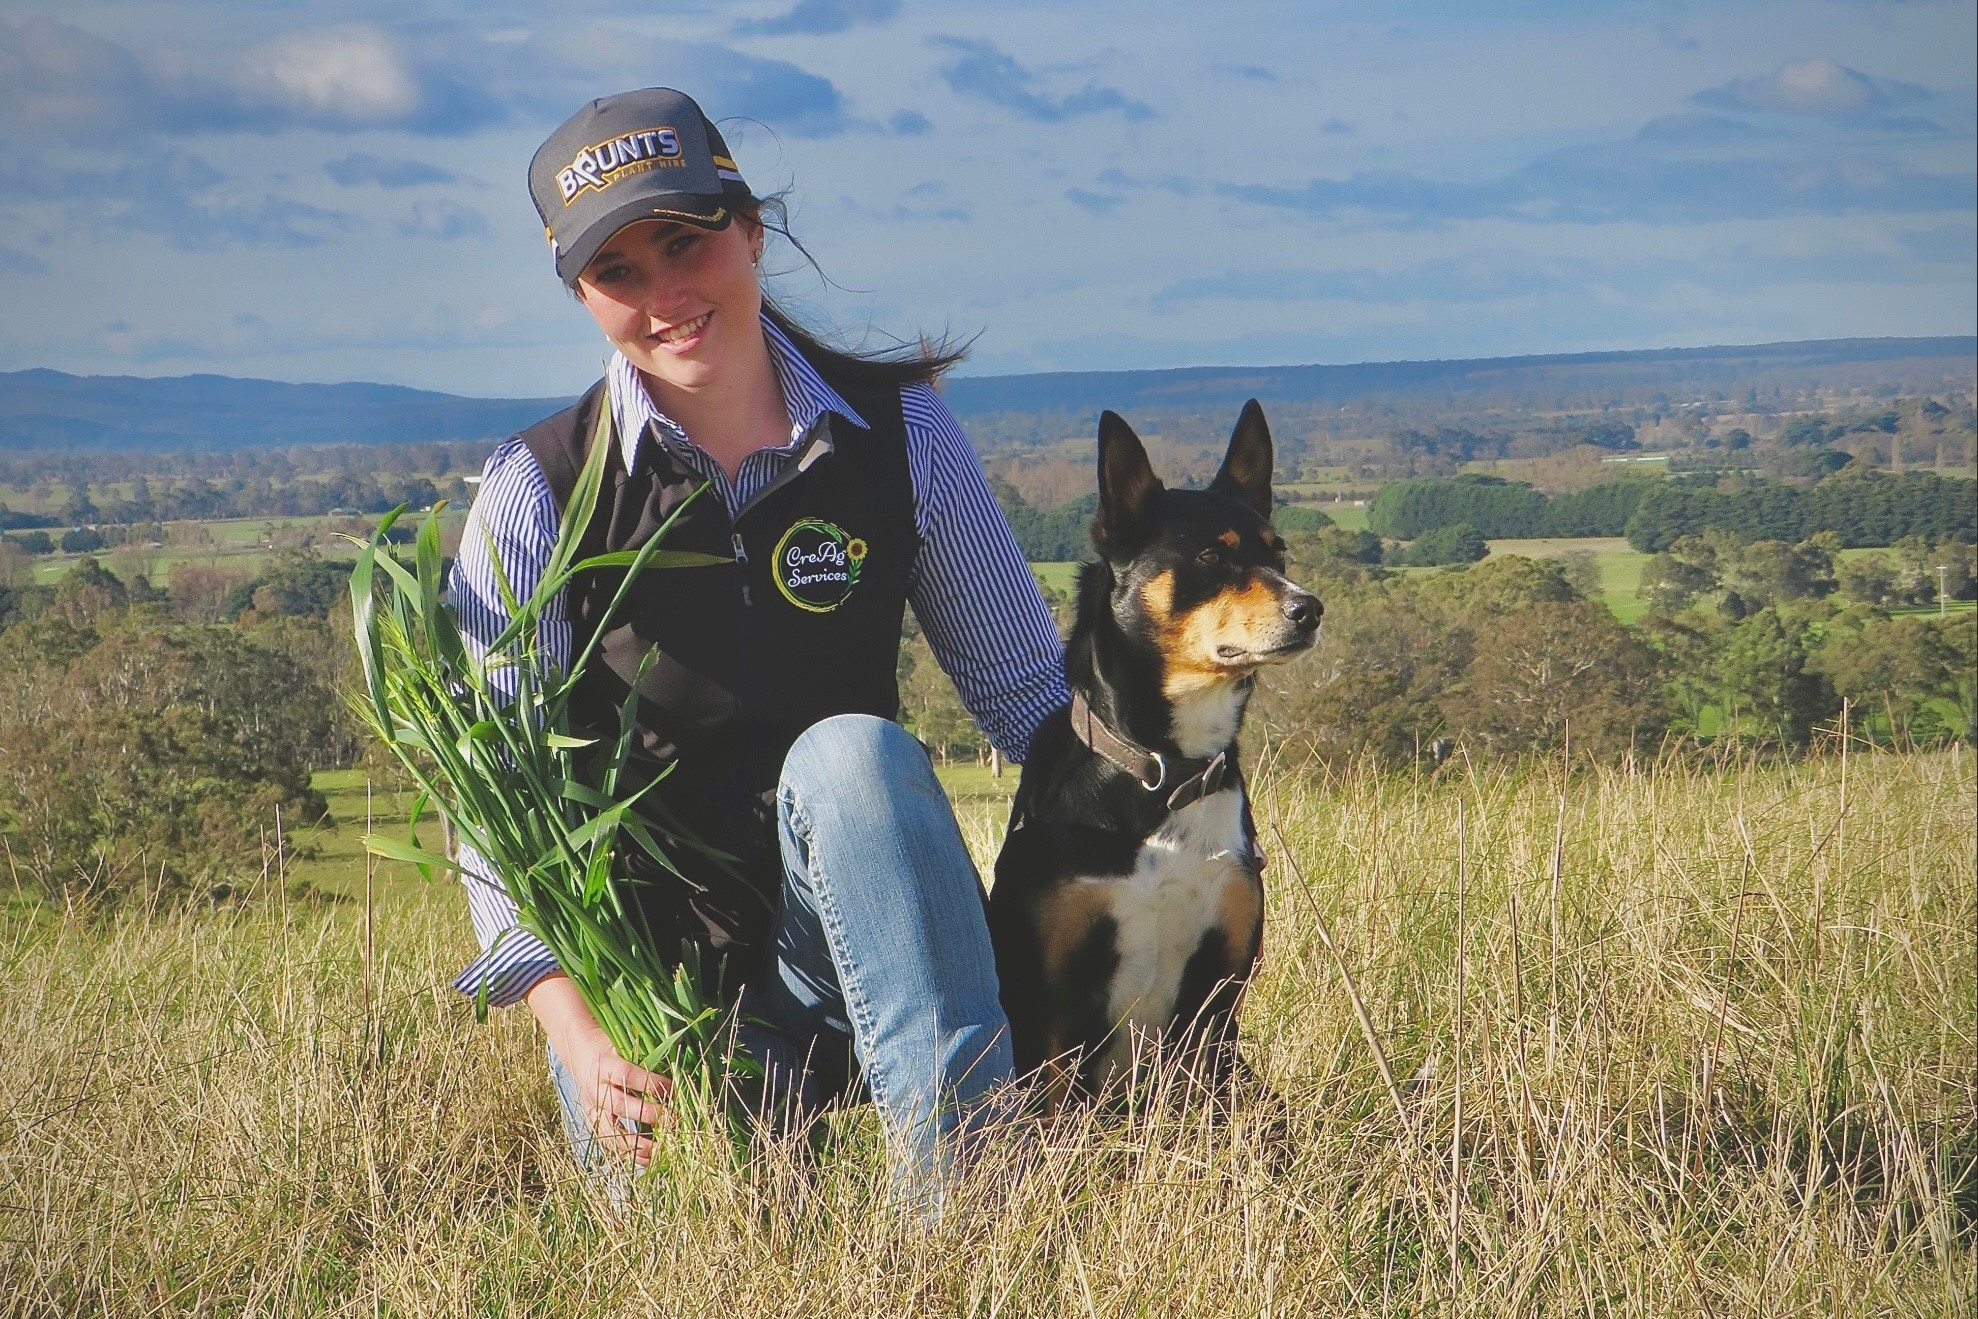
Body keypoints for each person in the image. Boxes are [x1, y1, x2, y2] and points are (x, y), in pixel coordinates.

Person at [446, 88, 1068, 1202]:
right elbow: (496, 803)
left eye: (685, 244)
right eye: (619, 273)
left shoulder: (897, 433)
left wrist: (1174, 845)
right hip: (655, 1001)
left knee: (854, 757)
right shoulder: (535, 487)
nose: (665, 297)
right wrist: (580, 1038)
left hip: (875, 945)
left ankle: (970, 1215)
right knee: (726, 1239)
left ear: (751, 231)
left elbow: (1033, 702)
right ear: (581, 293)